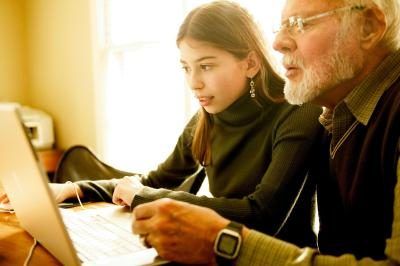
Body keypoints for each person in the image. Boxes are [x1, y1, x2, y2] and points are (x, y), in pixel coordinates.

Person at [0, 0, 322, 246]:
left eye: (206, 66)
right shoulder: (205, 119)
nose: (193, 82)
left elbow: (262, 215)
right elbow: (155, 180)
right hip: (216, 255)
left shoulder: (298, 112)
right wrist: (70, 189)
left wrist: (146, 196)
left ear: (250, 62)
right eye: (186, 67)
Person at [130, 0, 400, 265]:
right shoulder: (338, 116)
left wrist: (222, 242)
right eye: (282, 26)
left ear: (368, 27)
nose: (277, 43)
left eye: (298, 24)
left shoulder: (307, 113)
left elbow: (264, 214)